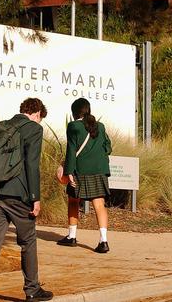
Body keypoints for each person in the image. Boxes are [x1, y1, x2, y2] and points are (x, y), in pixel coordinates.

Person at [0, 98, 53, 302]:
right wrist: (35, 198)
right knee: (28, 241)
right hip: (18, 195)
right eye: (40, 119)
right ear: (37, 114)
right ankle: (32, 290)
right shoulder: (34, 129)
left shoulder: (3, 126)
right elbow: (32, 165)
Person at [57, 98, 112, 253]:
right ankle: (103, 241)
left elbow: (71, 150)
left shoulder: (73, 126)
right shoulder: (100, 126)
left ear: (74, 112)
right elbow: (108, 147)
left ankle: (72, 237)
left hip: (80, 171)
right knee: (99, 205)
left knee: (74, 202)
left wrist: (69, 172)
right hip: (99, 170)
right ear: (88, 109)